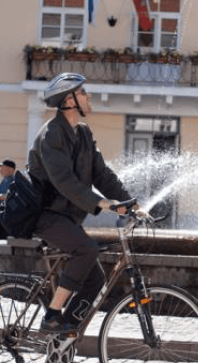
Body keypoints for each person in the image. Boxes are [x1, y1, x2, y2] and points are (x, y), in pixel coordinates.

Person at [28, 72, 138, 338]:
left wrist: (130, 204)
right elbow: (65, 182)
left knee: (95, 280)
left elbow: (103, 175)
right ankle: (52, 315)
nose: (88, 97)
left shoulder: (84, 133)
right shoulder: (52, 135)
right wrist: (102, 204)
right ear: (69, 100)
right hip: (45, 215)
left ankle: (63, 340)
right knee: (86, 249)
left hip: (67, 218)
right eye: (83, 92)